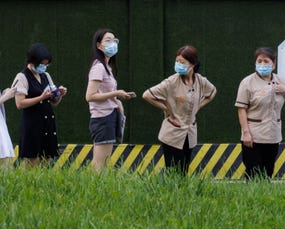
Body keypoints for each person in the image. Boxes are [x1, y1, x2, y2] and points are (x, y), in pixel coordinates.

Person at [142, 45, 217, 176]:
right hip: (172, 133)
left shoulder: (200, 80)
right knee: (173, 171)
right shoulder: (171, 82)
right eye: (177, 61)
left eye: (182, 62)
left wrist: (198, 106)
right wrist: (167, 109)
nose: (178, 65)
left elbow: (212, 92)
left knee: (184, 170)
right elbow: (147, 95)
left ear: (193, 64)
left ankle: (181, 194)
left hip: (190, 132)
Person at [235, 47, 285, 179]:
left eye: (266, 61)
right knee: (253, 170)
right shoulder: (247, 82)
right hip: (253, 135)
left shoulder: (282, 81)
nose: (262, 65)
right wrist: (246, 132)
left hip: (273, 134)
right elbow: (241, 109)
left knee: (268, 170)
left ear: (273, 64)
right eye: (259, 61)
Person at [85, 29, 135, 171]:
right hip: (102, 118)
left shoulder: (107, 67)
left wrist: (117, 99)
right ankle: (93, 191)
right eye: (108, 40)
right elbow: (90, 96)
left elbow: (103, 93)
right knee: (100, 164)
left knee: (104, 162)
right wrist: (116, 93)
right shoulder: (99, 67)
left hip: (108, 116)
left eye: (114, 40)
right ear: (99, 45)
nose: (112, 43)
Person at [13, 43, 68, 167]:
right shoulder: (22, 76)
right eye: (42, 64)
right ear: (32, 61)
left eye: (46, 64)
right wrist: (41, 97)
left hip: (47, 123)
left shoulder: (46, 76)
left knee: (47, 160)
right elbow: (20, 103)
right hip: (32, 125)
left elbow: (54, 101)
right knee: (31, 161)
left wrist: (59, 94)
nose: (44, 67)